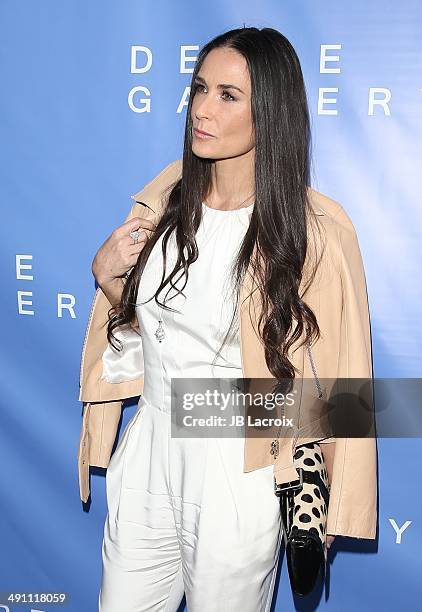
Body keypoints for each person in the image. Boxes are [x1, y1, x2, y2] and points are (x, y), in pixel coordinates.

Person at [78, 26, 377, 612]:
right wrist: (111, 280)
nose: (202, 110)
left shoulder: (312, 230)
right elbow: (140, 348)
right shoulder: (164, 199)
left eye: (228, 96)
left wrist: (331, 497)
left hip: (239, 469)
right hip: (148, 455)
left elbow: (342, 387)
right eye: (199, 89)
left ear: (270, 113)